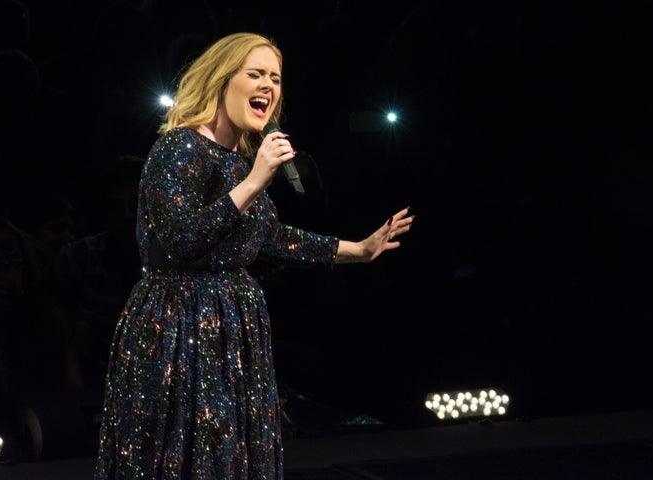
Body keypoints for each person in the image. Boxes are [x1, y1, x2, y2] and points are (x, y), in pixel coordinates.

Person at [93, 32, 413, 479]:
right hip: (180, 322)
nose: (268, 86)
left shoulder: (239, 159)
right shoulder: (179, 148)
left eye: (276, 79)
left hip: (233, 322)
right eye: (255, 74)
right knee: (185, 455)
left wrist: (357, 250)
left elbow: (268, 237)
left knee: (232, 454)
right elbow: (180, 241)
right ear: (223, 80)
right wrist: (255, 181)